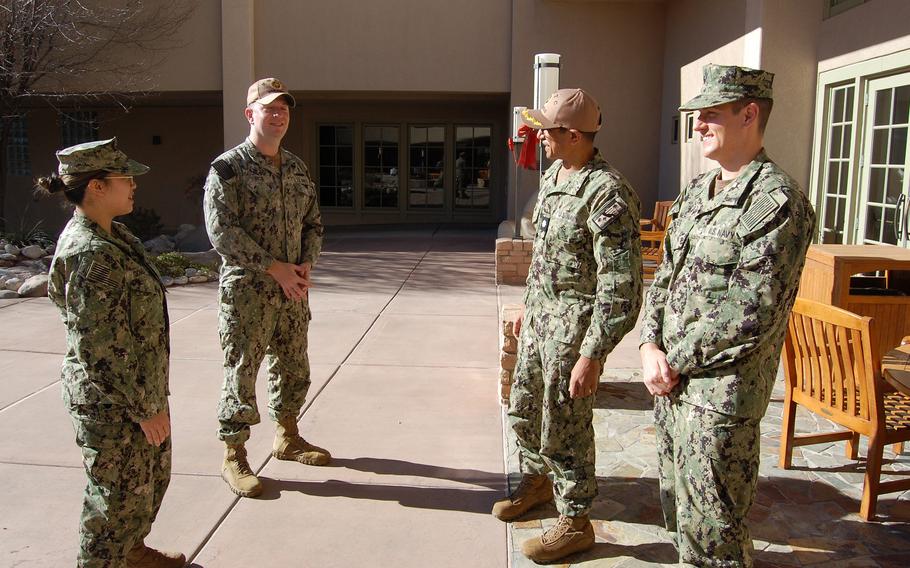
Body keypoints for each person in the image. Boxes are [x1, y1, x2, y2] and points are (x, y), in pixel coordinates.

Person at [639, 64, 816, 566]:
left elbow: (752, 311)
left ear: (750, 114)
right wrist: (649, 344)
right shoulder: (698, 191)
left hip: (720, 400)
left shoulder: (777, 202)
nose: (697, 126)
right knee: (680, 517)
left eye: (710, 114)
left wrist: (671, 358)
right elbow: (665, 273)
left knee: (715, 535)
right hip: (671, 385)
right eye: (696, 115)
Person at [492, 88, 643, 563]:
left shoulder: (608, 193)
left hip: (573, 334)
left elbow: (622, 287)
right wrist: (526, 306)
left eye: (548, 131)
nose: (540, 138)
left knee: (566, 426)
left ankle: (576, 520)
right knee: (524, 410)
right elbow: (546, 257)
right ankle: (537, 485)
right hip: (541, 324)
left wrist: (593, 353)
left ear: (573, 135)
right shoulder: (557, 175)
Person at [42, 138, 185, 568]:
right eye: (126, 178)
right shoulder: (91, 255)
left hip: (134, 393)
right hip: (112, 404)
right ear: (97, 187)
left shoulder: (112, 234)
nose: (134, 186)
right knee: (113, 503)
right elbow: (97, 349)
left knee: (144, 485)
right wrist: (145, 407)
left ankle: (132, 553)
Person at [204, 77, 326, 498]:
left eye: (284, 109)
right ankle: (234, 456)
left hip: (292, 290)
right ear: (250, 114)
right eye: (269, 108)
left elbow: (313, 222)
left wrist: (306, 263)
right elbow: (222, 234)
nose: (277, 115)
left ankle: (287, 437)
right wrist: (275, 268)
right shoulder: (228, 170)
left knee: (293, 366)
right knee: (242, 372)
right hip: (248, 294)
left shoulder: (295, 167)